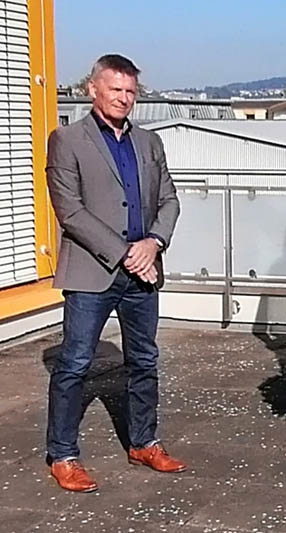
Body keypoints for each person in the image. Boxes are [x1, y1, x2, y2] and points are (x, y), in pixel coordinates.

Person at [46, 54, 185, 493]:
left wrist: (153, 243)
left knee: (144, 361)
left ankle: (144, 442)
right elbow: (70, 211)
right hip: (92, 273)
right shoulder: (67, 139)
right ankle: (63, 454)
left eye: (130, 91)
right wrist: (125, 251)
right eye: (115, 89)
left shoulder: (149, 142)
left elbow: (170, 201)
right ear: (93, 89)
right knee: (74, 365)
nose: (124, 98)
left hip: (143, 272)